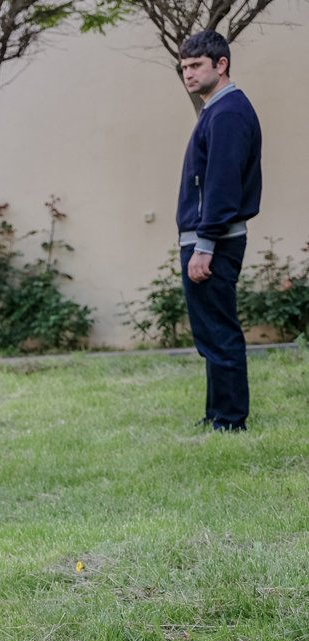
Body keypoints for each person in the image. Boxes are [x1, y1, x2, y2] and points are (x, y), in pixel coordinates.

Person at [175, 30, 263, 433]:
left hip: (215, 240)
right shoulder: (217, 110)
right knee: (211, 330)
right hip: (208, 238)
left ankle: (230, 420)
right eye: (184, 67)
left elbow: (222, 186)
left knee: (218, 329)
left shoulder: (227, 113)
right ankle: (218, 414)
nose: (188, 73)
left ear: (221, 64)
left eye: (196, 65)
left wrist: (205, 244)